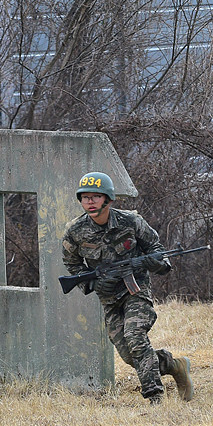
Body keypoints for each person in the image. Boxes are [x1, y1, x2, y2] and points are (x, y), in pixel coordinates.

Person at [61, 171, 194, 404]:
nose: (90, 202)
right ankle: (175, 365)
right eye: (85, 197)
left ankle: (155, 397)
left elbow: (157, 250)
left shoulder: (131, 221)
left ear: (108, 199)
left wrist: (156, 262)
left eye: (95, 197)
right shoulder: (75, 231)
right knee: (129, 355)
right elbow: (72, 264)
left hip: (136, 290)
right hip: (109, 298)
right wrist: (92, 283)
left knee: (135, 337)